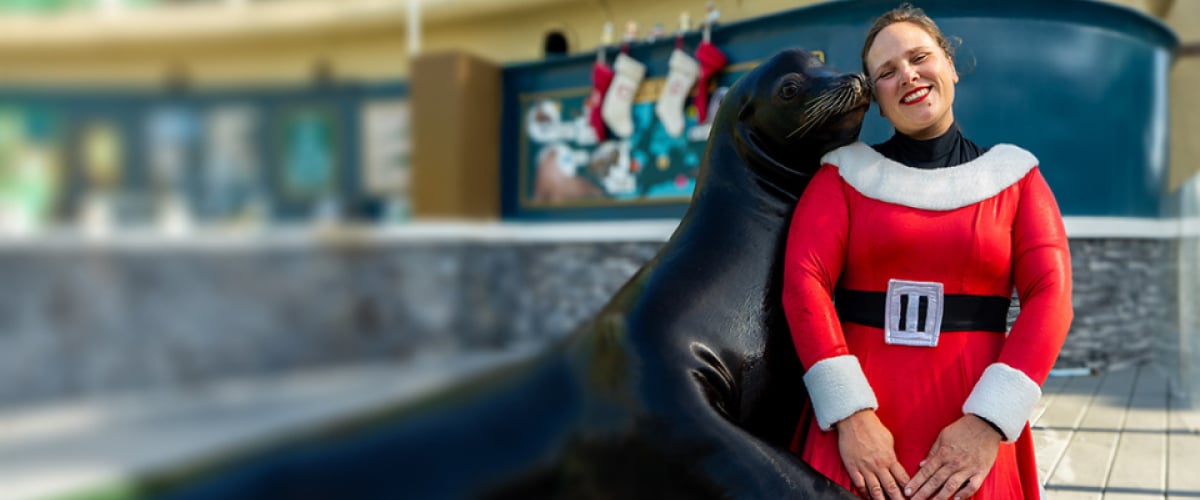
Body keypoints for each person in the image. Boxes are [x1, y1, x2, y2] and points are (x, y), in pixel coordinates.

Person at [781, 3, 1073, 499]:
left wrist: (988, 424)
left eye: (920, 57)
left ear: (951, 65)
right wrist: (851, 418)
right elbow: (802, 285)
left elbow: (1052, 297)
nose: (909, 77)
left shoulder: (1017, 177)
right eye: (887, 73)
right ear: (876, 97)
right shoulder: (842, 177)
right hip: (860, 438)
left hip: (974, 428)